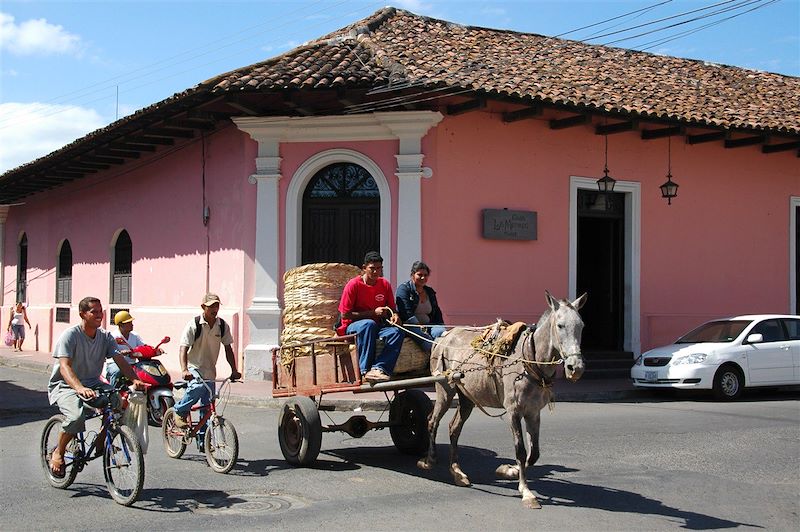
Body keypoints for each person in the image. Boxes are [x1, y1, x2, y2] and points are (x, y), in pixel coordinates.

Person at [47, 296, 144, 479]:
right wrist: (79, 388)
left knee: (118, 403)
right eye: (94, 312)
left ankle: (101, 442)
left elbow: (120, 360)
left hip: (94, 383)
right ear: (83, 314)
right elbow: (65, 367)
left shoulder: (105, 337)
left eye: (101, 311)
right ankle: (58, 452)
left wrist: (134, 379)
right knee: (76, 417)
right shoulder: (71, 335)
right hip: (66, 385)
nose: (99, 315)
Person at [173, 293, 241, 428]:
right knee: (197, 386)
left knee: (208, 408)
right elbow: (183, 348)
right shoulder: (194, 324)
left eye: (217, 306)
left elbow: (228, 349)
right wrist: (184, 369)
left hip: (210, 370)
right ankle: (179, 411)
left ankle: (204, 441)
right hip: (194, 367)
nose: (214, 309)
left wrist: (234, 370)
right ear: (203, 307)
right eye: (211, 306)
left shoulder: (222, 325)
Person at [337, 251, 404, 383]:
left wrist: (394, 315)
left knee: (396, 332)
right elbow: (345, 314)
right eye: (372, 268)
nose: (375, 272)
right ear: (364, 268)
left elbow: (392, 308)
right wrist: (373, 313)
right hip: (351, 326)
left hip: (376, 326)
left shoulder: (384, 284)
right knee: (368, 324)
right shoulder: (353, 285)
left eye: (379, 268)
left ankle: (379, 368)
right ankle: (364, 370)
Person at [395, 261, 446, 353]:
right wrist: (419, 327)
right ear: (413, 275)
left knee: (442, 334)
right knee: (427, 341)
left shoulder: (429, 291)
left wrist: (441, 326)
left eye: (425, 275)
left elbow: (436, 311)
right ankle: (433, 356)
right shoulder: (404, 289)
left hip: (429, 325)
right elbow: (406, 313)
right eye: (419, 275)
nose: (423, 278)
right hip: (410, 326)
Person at [105, 310, 146, 388]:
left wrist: (154, 350)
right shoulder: (113, 336)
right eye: (128, 323)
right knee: (117, 371)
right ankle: (112, 392)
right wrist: (121, 352)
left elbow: (143, 346)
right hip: (115, 363)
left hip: (132, 363)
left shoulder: (135, 335)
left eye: (131, 322)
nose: (132, 324)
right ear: (121, 325)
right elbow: (108, 352)